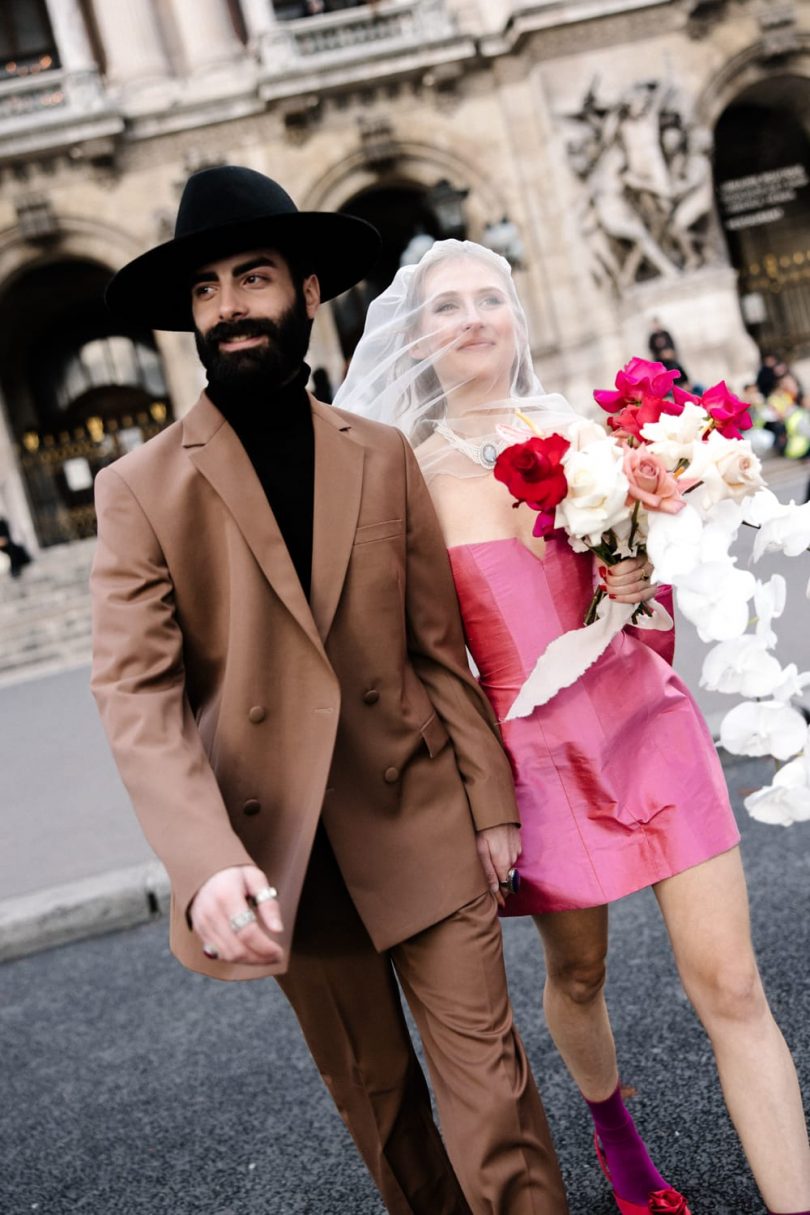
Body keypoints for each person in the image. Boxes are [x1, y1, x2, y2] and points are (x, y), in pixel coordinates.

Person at [91, 167, 568, 1215]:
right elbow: (136, 695)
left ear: (308, 294)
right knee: (385, 1118)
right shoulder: (139, 490)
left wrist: (490, 806)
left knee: (497, 1112)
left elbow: (438, 651)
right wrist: (207, 862)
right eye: (207, 291)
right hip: (286, 862)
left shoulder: (383, 454)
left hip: (424, 819)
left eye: (251, 279)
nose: (228, 309)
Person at [334, 238, 810, 1215]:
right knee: (579, 974)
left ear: (518, 317)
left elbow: (655, 615)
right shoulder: (404, 484)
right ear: (417, 339)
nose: (472, 317)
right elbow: (420, 654)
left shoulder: (597, 438)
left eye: (489, 298)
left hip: (650, 726)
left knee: (731, 986)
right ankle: (617, 1137)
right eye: (445, 306)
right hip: (530, 760)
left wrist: (639, 586)